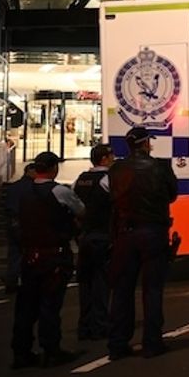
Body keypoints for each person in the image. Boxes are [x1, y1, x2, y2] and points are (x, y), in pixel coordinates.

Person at [107, 126, 178, 360]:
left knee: (122, 290)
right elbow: (172, 195)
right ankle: (152, 343)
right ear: (146, 143)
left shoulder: (116, 169)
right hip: (153, 231)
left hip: (125, 234)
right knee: (152, 289)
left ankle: (117, 344)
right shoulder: (160, 167)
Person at [10, 151, 84, 369]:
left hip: (30, 254)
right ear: (54, 168)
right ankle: (51, 349)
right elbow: (81, 211)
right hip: (54, 253)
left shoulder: (24, 192)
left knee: (26, 307)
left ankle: (21, 352)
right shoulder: (59, 191)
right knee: (50, 305)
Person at [73, 143, 116, 341]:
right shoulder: (107, 180)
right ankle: (100, 325)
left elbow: (75, 208)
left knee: (86, 283)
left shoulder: (80, 180)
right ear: (104, 158)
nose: (114, 158)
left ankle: (85, 325)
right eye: (111, 155)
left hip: (85, 237)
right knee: (101, 283)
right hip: (102, 235)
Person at [1, 162, 37, 294]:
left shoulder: (13, 187)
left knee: (14, 253)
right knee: (29, 253)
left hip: (12, 222)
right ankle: (27, 282)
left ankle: (11, 280)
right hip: (25, 223)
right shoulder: (32, 187)